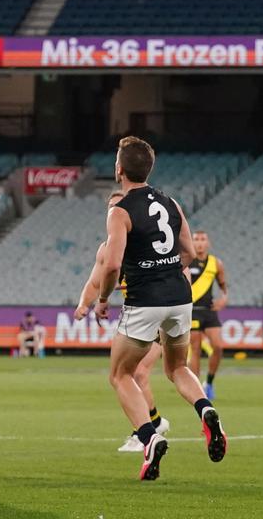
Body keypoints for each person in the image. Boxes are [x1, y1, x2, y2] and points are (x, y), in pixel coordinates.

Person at [90, 137, 227, 480]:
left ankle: (149, 438)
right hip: (180, 298)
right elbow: (190, 254)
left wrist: (104, 299)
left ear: (119, 169)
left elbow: (111, 264)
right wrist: (164, 267)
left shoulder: (120, 211)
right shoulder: (170, 202)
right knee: (177, 367)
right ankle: (207, 411)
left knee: (120, 375)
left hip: (144, 300)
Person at [75, 190, 170, 453]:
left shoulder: (145, 243)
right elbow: (96, 281)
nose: (115, 211)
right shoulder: (108, 248)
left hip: (160, 313)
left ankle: (145, 432)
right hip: (139, 316)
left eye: (120, 206)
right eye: (111, 207)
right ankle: (155, 423)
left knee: (136, 373)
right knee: (134, 373)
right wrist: (84, 303)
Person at [187, 230, 229, 400]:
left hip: (209, 311)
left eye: (202, 239)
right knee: (195, 349)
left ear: (208, 243)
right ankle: (198, 392)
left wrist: (223, 299)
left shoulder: (216, 263)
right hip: (191, 311)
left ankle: (209, 382)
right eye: (196, 239)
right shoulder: (186, 261)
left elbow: (224, 287)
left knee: (218, 346)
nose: (199, 243)